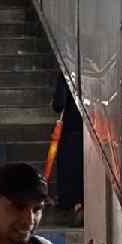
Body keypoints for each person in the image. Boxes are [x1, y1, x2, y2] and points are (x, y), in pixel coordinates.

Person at [53, 75, 85, 219]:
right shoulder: (94, 70)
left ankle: (71, 204)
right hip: (90, 130)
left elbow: (58, 103)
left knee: (69, 167)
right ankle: (83, 204)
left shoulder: (66, 75)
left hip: (70, 130)